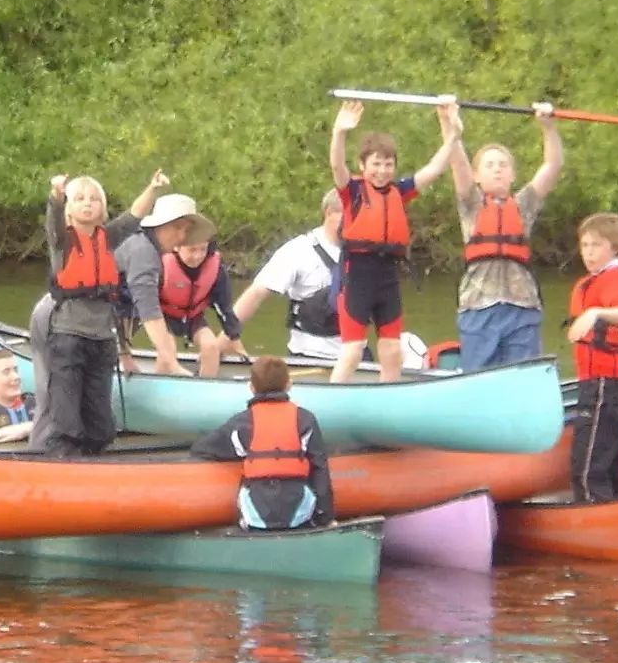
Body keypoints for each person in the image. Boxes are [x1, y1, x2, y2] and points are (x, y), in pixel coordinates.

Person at [327, 98, 459, 383]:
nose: (383, 170)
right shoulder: (353, 191)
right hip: (357, 275)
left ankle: (389, 395)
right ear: (363, 165)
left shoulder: (399, 192)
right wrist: (340, 131)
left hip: (387, 276)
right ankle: (331, 400)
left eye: (388, 164)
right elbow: (336, 164)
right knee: (352, 350)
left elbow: (434, 168)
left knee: (391, 348)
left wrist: (452, 134)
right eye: (376, 164)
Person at [40, 170, 169, 457]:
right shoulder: (63, 241)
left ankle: (94, 455)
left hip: (101, 340)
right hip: (68, 337)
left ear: (103, 207)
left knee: (100, 425)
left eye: (95, 199)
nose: (88, 204)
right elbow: (52, 222)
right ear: (70, 208)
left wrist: (152, 188)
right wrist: (57, 194)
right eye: (80, 199)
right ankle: (63, 456)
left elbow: (134, 216)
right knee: (66, 412)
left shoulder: (107, 238)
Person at [230, 188, 429, 369]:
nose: (354, 223)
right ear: (328, 213)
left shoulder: (366, 252)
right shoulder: (298, 251)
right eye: (348, 216)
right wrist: (228, 335)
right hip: (307, 357)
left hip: (357, 357)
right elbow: (256, 293)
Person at [445, 97, 564, 370]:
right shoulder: (471, 204)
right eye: (490, 165)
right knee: (480, 375)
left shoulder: (523, 204)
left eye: (503, 165)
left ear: (512, 175)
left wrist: (548, 128)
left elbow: (553, 166)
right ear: (477, 176)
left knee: (522, 374)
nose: (497, 169)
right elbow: (458, 164)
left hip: (522, 306)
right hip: (478, 307)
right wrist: (448, 122)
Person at [191, 356, 334, 530]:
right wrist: (325, 517)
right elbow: (320, 468)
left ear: (251, 388)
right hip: (299, 512)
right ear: (288, 385)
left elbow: (202, 448)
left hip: (255, 513)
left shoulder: (241, 423)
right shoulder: (305, 419)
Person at [565, 212, 618, 502]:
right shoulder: (589, 282)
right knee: (612, 462)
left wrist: (595, 312)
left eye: (596, 245)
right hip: (607, 383)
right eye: (584, 245)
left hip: (605, 384)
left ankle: (594, 515)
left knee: (587, 467)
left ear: (614, 248)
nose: (589, 252)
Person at [114, 192, 217, 377]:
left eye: (185, 230)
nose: (181, 235)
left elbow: (127, 312)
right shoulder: (143, 252)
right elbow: (149, 312)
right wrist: (172, 364)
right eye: (176, 227)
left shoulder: (152, 248)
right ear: (158, 225)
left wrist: (125, 356)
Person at [161, 239, 248, 377]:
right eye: (192, 250)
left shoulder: (216, 268)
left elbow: (224, 307)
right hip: (163, 315)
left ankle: (206, 384)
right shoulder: (161, 265)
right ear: (176, 247)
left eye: (203, 249)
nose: (198, 256)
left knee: (211, 346)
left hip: (193, 316)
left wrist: (234, 338)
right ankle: (158, 384)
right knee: (167, 349)